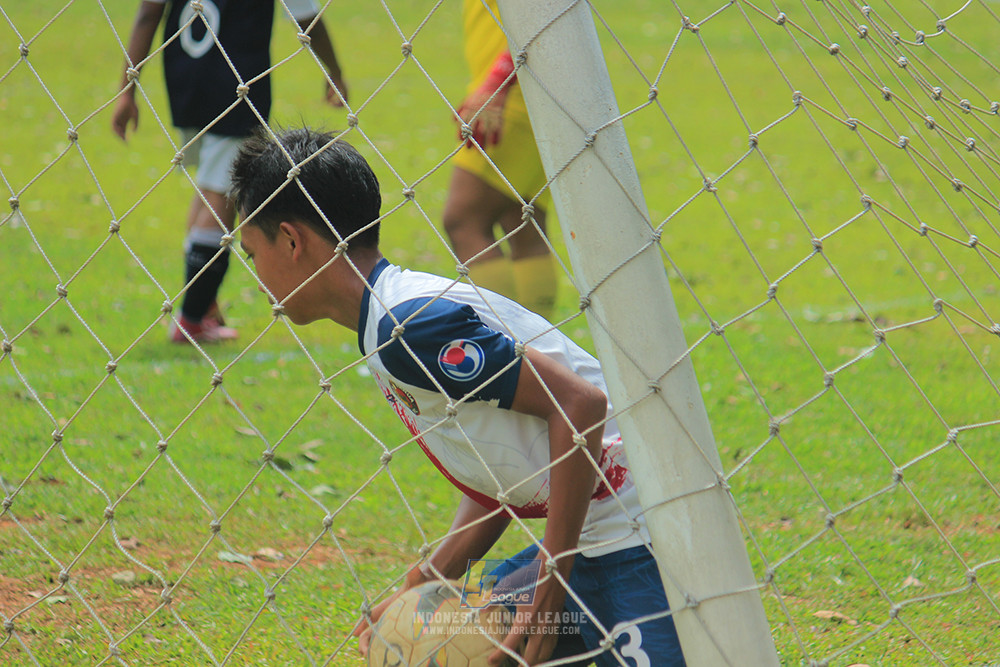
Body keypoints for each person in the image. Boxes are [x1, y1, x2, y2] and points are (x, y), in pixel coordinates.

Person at [229, 127, 685, 667]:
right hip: (589, 537)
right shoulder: (387, 320)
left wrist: (551, 579)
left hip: (634, 534)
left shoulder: (408, 326)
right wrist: (426, 578)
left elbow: (580, 406)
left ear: (290, 239)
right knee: (455, 638)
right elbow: (503, 470)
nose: (256, 277)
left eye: (252, 253)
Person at [111, 0, 348, 343]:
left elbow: (150, 10)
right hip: (236, 84)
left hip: (184, 79)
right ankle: (190, 320)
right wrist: (335, 71)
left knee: (209, 188)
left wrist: (126, 91)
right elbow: (305, 14)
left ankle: (202, 306)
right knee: (221, 196)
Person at [444, 0, 558, 320]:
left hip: (515, 92)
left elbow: (544, 11)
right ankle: (541, 344)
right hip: (532, 86)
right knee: (520, 221)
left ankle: (511, 338)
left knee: (463, 220)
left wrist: (498, 80)